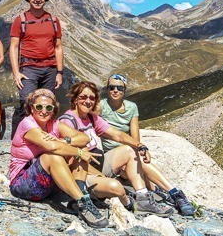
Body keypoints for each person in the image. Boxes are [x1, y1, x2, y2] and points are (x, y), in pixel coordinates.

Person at [57, 81, 175, 216]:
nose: (88, 101)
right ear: (75, 98)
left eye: (92, 98)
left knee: (130, 150)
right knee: (116, 187)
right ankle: (88, 197)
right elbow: (69, 160)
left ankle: (143, 198)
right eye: (83, 97)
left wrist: (139, 145)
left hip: (99, 163)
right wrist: (100, 174)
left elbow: (117, 135)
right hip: (83, 174)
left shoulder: (91, 117)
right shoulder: (67, 121)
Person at [9, 89, 108, 228]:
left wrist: (64, 141)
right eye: (39, 107)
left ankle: (80, 194)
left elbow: (84, 138)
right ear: (32, 108)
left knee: (80, 148)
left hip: (49, 185)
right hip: (23, 184)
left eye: (49, 107)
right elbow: (52, 147)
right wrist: (78, 152)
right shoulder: (27, 124)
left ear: (53, 110)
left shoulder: (54, 124)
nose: (44, 111)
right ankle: (84, 203)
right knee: (54, 156)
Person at [100, 74, 195, 216]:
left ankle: (172, 193)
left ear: (124, 90)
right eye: (111, 87)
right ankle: (174, 194)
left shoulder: (131, 107)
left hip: (128, 156)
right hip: (113, 156)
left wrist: (142, 149)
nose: (115, 90)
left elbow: (135, 137)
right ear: (107, 90)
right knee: (131, 154)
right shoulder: (101, 106)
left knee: (137, 156)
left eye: (119, 88)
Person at [9, 0, 64, 137]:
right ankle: (18, 140)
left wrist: (59, 72)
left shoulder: (54, 21)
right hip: (28, 68)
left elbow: (58, 47)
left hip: (50, 69)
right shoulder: (21, 20)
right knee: (26, 102)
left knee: (47, 104)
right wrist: (16, 72)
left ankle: (45, 138)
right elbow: (13, 47)